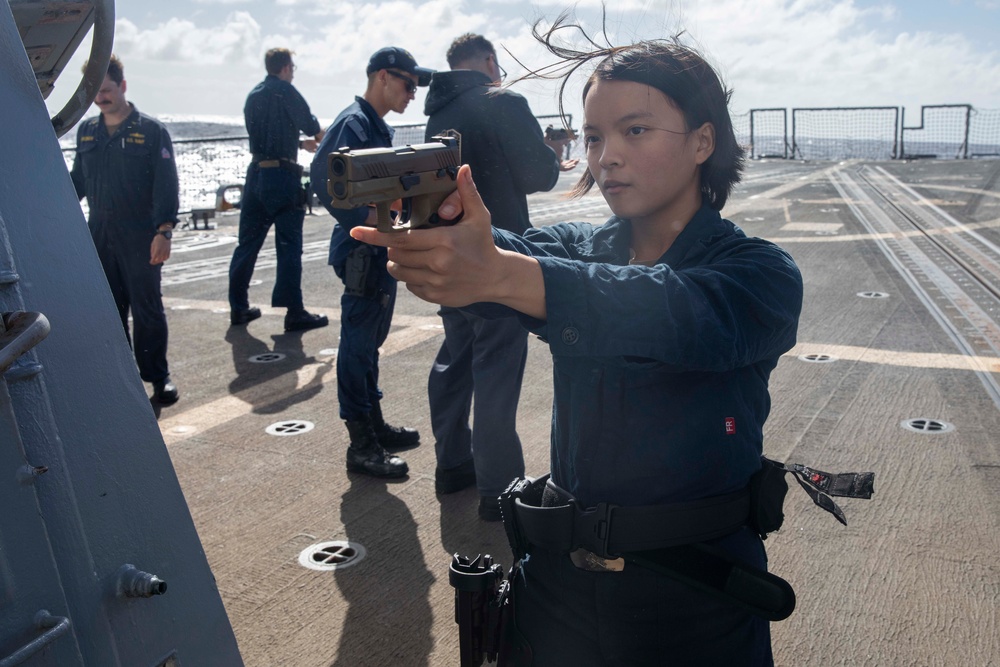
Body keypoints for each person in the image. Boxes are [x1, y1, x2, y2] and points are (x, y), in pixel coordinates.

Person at [352, 26, 804, 666]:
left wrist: (506, 273)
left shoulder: (760, 274)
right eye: (593, 137)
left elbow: (674, 311)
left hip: (693, 601)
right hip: (557, 591)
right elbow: (508, 263)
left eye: (635, 130)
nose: (606, 156)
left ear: (704, 140)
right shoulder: (573, 249)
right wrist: (446, 230)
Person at [423, 33, 578, 520]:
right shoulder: (502, 99)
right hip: (497, 258)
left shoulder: (438, 111)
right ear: (491, 61)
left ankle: (452, 466)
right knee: (495, 368)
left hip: (450, 254)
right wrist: (553, 151)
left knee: (455, 357)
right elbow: (538, 175)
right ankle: (499, 491)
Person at [309, 47, 434, 479]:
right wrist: (364, 218)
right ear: (382, 76)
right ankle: (361, 444)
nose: (412, 94)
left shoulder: (370, 125)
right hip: (362, 249)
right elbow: (323, 178)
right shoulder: (354, 123)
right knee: (357, 344)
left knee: (370, 343)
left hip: (375, 246)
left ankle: (374, 426)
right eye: (407, 84)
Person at [71, 54, 182, 405]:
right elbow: (77, 183)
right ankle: (120, 381)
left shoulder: (150, 131)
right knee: (109, 310)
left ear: (123, 86)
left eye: (106, 90)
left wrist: (164, 231)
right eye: (95, 92)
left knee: (147, 309)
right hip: (99, 235)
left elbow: (167, 185)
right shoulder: (87, 131)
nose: (101, 97)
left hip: (140, 236)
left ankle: (158, 378)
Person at [228, 48, 328, 332]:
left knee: (246, 245)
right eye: (292, 67)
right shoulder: (286, 91)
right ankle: (294, 312)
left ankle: (238, 307)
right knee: (288, 246)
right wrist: (325, 145)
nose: (293, 72)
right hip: (283, 178)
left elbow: (266, 139)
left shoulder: (254, 94)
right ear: (285, 68)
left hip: (256, 174)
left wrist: (297, 145)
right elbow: (311, 126)